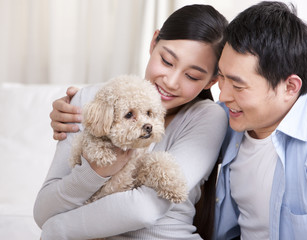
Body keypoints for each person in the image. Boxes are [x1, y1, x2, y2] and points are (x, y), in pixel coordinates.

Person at [33, 4, 229, 240]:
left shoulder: (208, 117)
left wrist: (58, 230)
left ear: (211, 81)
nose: (171, 82)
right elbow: (44, 211)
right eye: (167, 61)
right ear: (153, 42)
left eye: (192, 76)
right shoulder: (89, 101)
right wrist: (95, 173)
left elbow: (144, 209)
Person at [214, 1, 307, 239]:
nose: (223, 96)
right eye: (221, 76)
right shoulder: (229, 119)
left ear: (290, 87)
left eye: (238, 86)